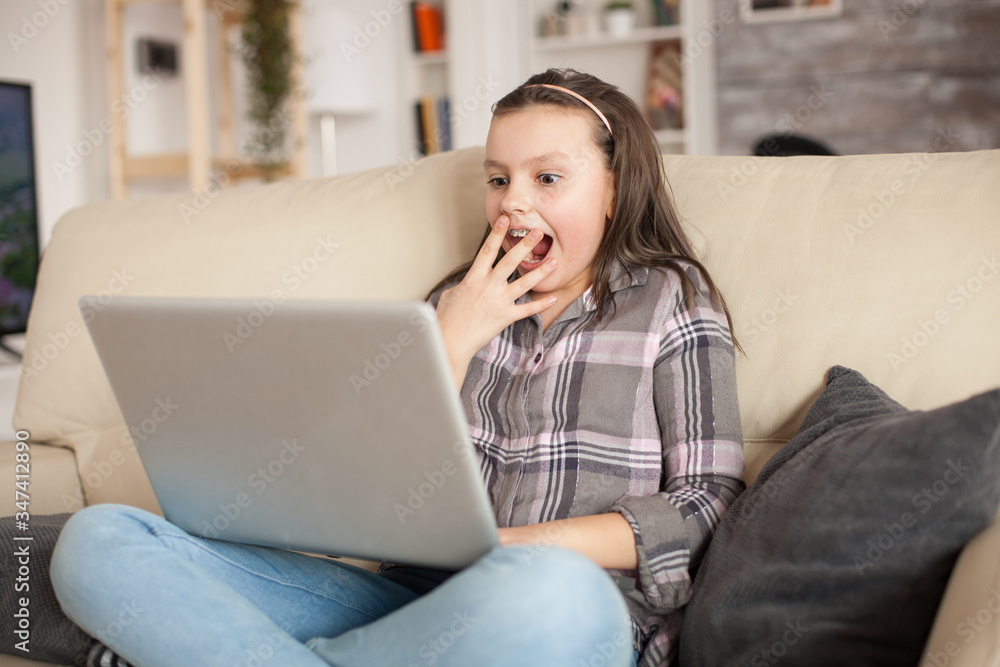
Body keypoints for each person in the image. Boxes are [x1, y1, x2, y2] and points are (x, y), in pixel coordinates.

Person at [50, 68, 745, 667]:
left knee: (554, 587)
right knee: (97, 540)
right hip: (407, 602)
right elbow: (365, 487)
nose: (514, 202)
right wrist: (448, 342)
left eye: (549, 178)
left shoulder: (671, 300)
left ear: (616, 191)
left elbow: (706, 502)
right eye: (498, 178)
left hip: (557, 612)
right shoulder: (448, 305)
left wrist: (507, 547)